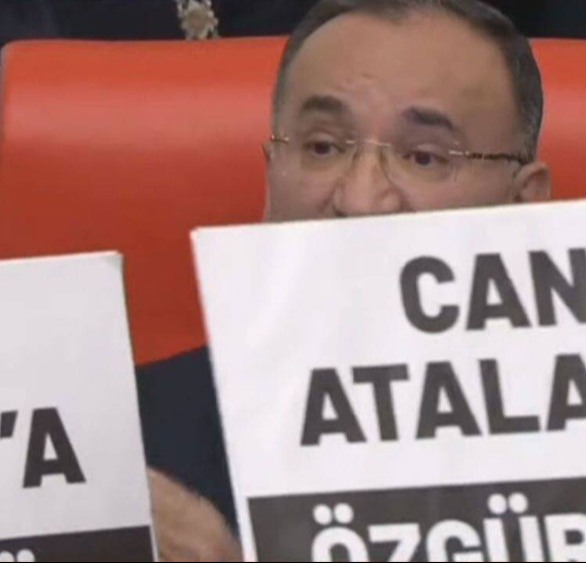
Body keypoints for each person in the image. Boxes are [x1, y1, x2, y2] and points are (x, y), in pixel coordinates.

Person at [139, 0, 549, 560]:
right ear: (271, 174)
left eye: (424, 157)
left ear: (522, 204)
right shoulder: (129, 440)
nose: (359, 200)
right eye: (323, 147)